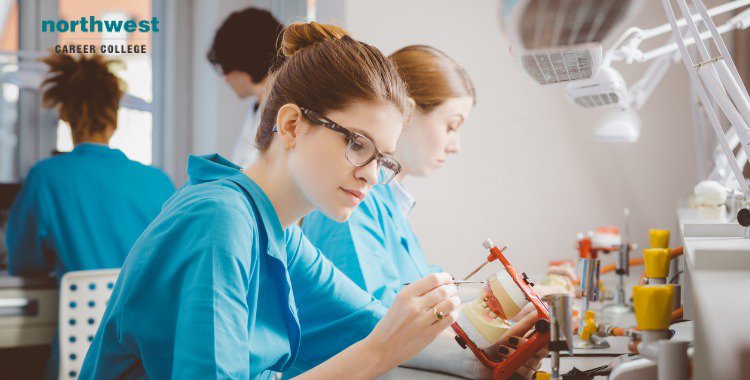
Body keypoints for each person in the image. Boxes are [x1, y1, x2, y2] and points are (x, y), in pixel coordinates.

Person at [79, 22, 545, 379]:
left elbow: (378, 328)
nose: (372, 174)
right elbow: (378, 346)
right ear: (291, 126)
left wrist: (496, 357)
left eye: (383, 158)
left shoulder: (279, 234)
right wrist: (378, 353)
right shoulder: (218, 220)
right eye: (358, 145)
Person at [5, 53, 175, 378]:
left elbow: (24, 264)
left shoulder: (47, 177)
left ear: (65, 116)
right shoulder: (158, 181)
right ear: (114, 117)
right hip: (149, 361)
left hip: (82, 362)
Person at [301, 45, 475, 307]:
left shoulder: (390, 203)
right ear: (407, 113)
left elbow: (423, 289)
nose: (455, 145)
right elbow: (374, 317)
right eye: (451, 126)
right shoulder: (353, 194)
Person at [207, 7, 283, 167]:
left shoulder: (284, 113)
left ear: (244, 60)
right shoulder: (257, 107)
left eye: (225, 66)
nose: (225, 78)